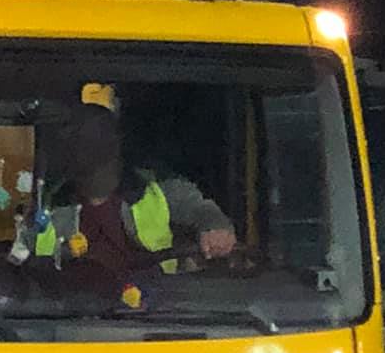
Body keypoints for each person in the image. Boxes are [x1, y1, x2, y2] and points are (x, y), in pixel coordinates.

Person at [32, 103, 236, 284]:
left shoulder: (158, 188)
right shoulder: (48, 205)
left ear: (117, 148)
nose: (88, 155)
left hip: (158, 306)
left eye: (96, 145)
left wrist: (215, 228)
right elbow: (26, 259)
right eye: (79, 145)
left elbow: (200, 209)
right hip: (73, 309)